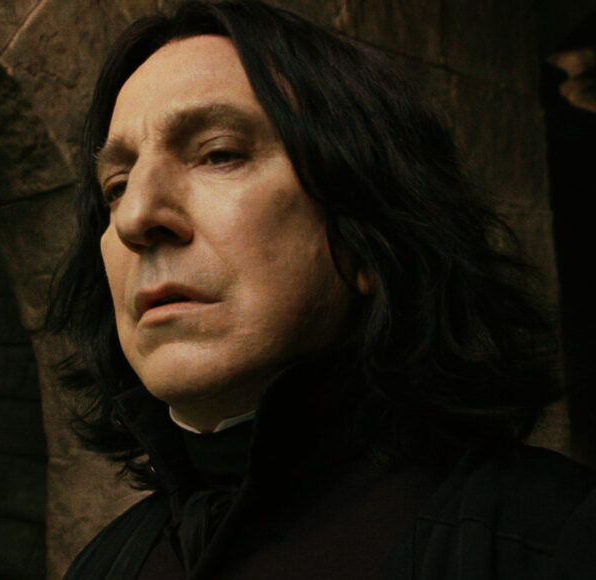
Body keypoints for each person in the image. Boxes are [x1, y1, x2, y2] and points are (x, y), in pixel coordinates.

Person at [45, 1, 596, 578]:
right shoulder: (102, 566)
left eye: (219, 154)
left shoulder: (553, 542)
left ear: (368, 234)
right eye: (116, 185)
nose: (135, 216)